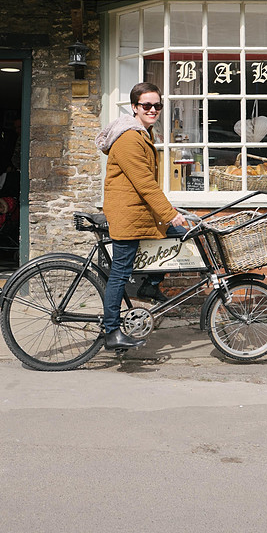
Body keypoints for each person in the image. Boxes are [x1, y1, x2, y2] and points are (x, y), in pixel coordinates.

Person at [95, 82, 189, 350]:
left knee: (182, 237)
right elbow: (144, 183)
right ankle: (112, 331)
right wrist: (170, 214)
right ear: (135, 107)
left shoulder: (142, 134)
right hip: (129, 216)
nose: (153, 110)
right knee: (120, 274)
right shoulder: (129, 139)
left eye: (157, 105)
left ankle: (150, 285)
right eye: (146, 105)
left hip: (141, 214)